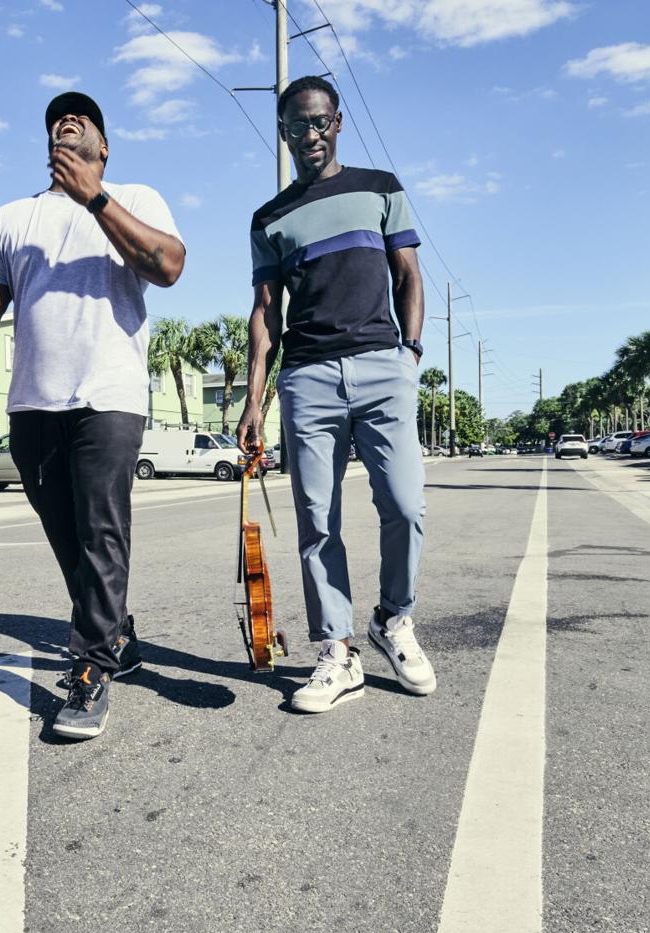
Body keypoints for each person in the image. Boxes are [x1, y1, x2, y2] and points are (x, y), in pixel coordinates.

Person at [0, 92, 185, 740]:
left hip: (110, 395)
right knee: (68, 539)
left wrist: (95, 197)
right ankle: (115, 632)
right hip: (34, 400)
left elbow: (168, 265)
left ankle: (91, 669)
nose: (67, 122)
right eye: (57, 121)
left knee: (101, 534)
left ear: (103, 145)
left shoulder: (137, 199)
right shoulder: (12, 217)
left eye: (82, 119)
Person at [236, 76, 435, 714]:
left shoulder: (380, 188)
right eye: (298, 126)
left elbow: (408, 274)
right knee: (318, 523)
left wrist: (410, 354)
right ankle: (336, 651)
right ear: (283, 132)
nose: (310, 136)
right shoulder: (269, 219)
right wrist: (253, 400)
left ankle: (393, 620)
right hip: (309, 378)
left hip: (383, 367)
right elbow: (265, 312)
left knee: (404, 506)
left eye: (320, 123)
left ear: (338, 123)